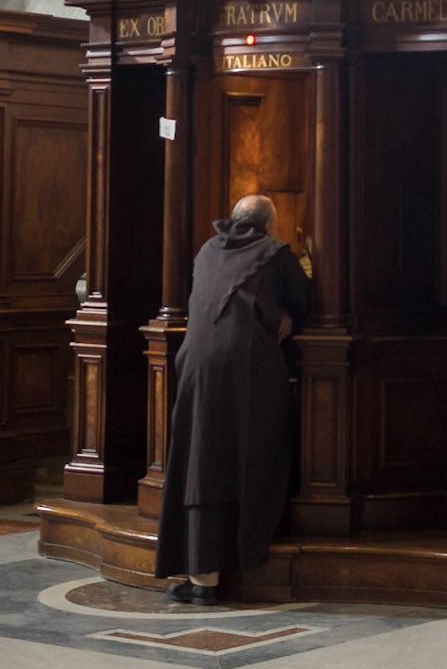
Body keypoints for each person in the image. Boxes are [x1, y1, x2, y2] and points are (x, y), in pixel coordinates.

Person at [155, 192, 310, 606]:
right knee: (247, 460)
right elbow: (305, 300)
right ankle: (218, 569)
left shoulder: (207, 249)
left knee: (197, 461)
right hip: (248, 369)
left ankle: (199, 572)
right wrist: (284, 317)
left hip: (194, 364)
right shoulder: (277, 254)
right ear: (270, 226)